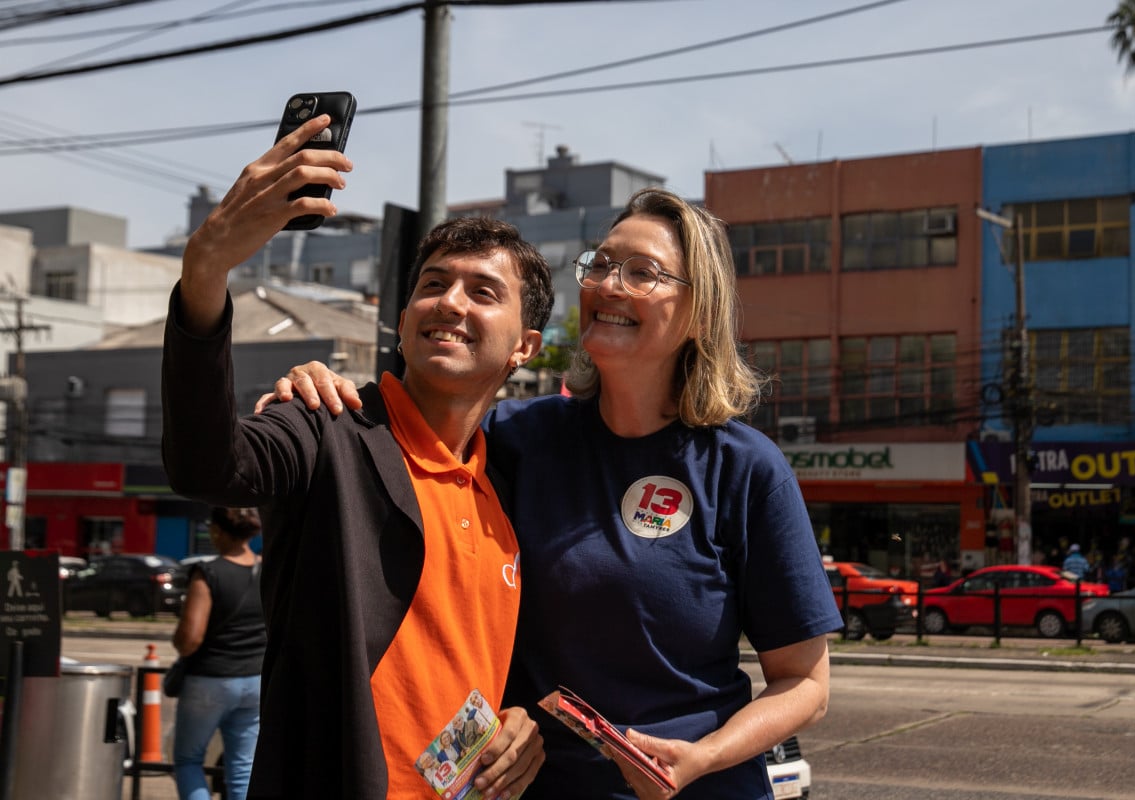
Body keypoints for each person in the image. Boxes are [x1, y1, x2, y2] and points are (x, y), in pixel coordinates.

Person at [265, 186, 844, 799]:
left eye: (642, 273)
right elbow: (404, 435)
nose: (607, 285)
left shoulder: (745, 467)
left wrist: (699, 758)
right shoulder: (515, 437)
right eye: (601, 264)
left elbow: (806, 686)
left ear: (699, 311)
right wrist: (324, 390)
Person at [160, 112, 549, 800]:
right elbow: (206, 466)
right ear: (402, 320)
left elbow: (477, 658)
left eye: (483, 292)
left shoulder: (513, 481)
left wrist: (519, 716)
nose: (448, 302)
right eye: (432, 284)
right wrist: (206, 270)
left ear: (526, 347)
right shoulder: (326, 424)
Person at [171, 507, 266, 800]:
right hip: (256, 679)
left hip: (210, 679)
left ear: (217, 531)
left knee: (188, 760)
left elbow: (190, 639)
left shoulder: (208, 573)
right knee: (243, 767)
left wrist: (178, 641)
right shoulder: (268, 568)